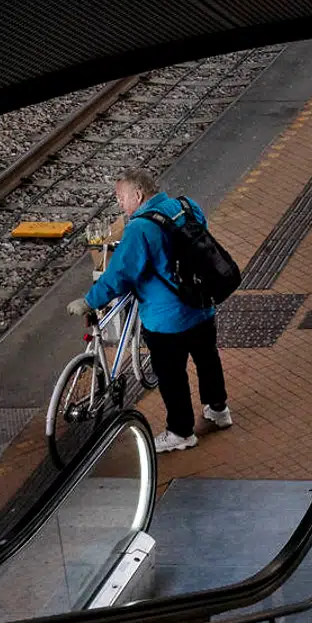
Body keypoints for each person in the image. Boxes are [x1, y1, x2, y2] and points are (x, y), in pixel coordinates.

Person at [67, 169, 232, 453]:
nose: (120, 204)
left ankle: (181, 432)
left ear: (138, 195)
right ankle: (219, 410)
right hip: (202, 305)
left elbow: (120, 273)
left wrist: (89, 301)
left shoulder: (140, 228)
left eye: (121, 198)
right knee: (208, 360)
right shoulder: (186, 205)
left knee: (172, 376)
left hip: (167, 319)